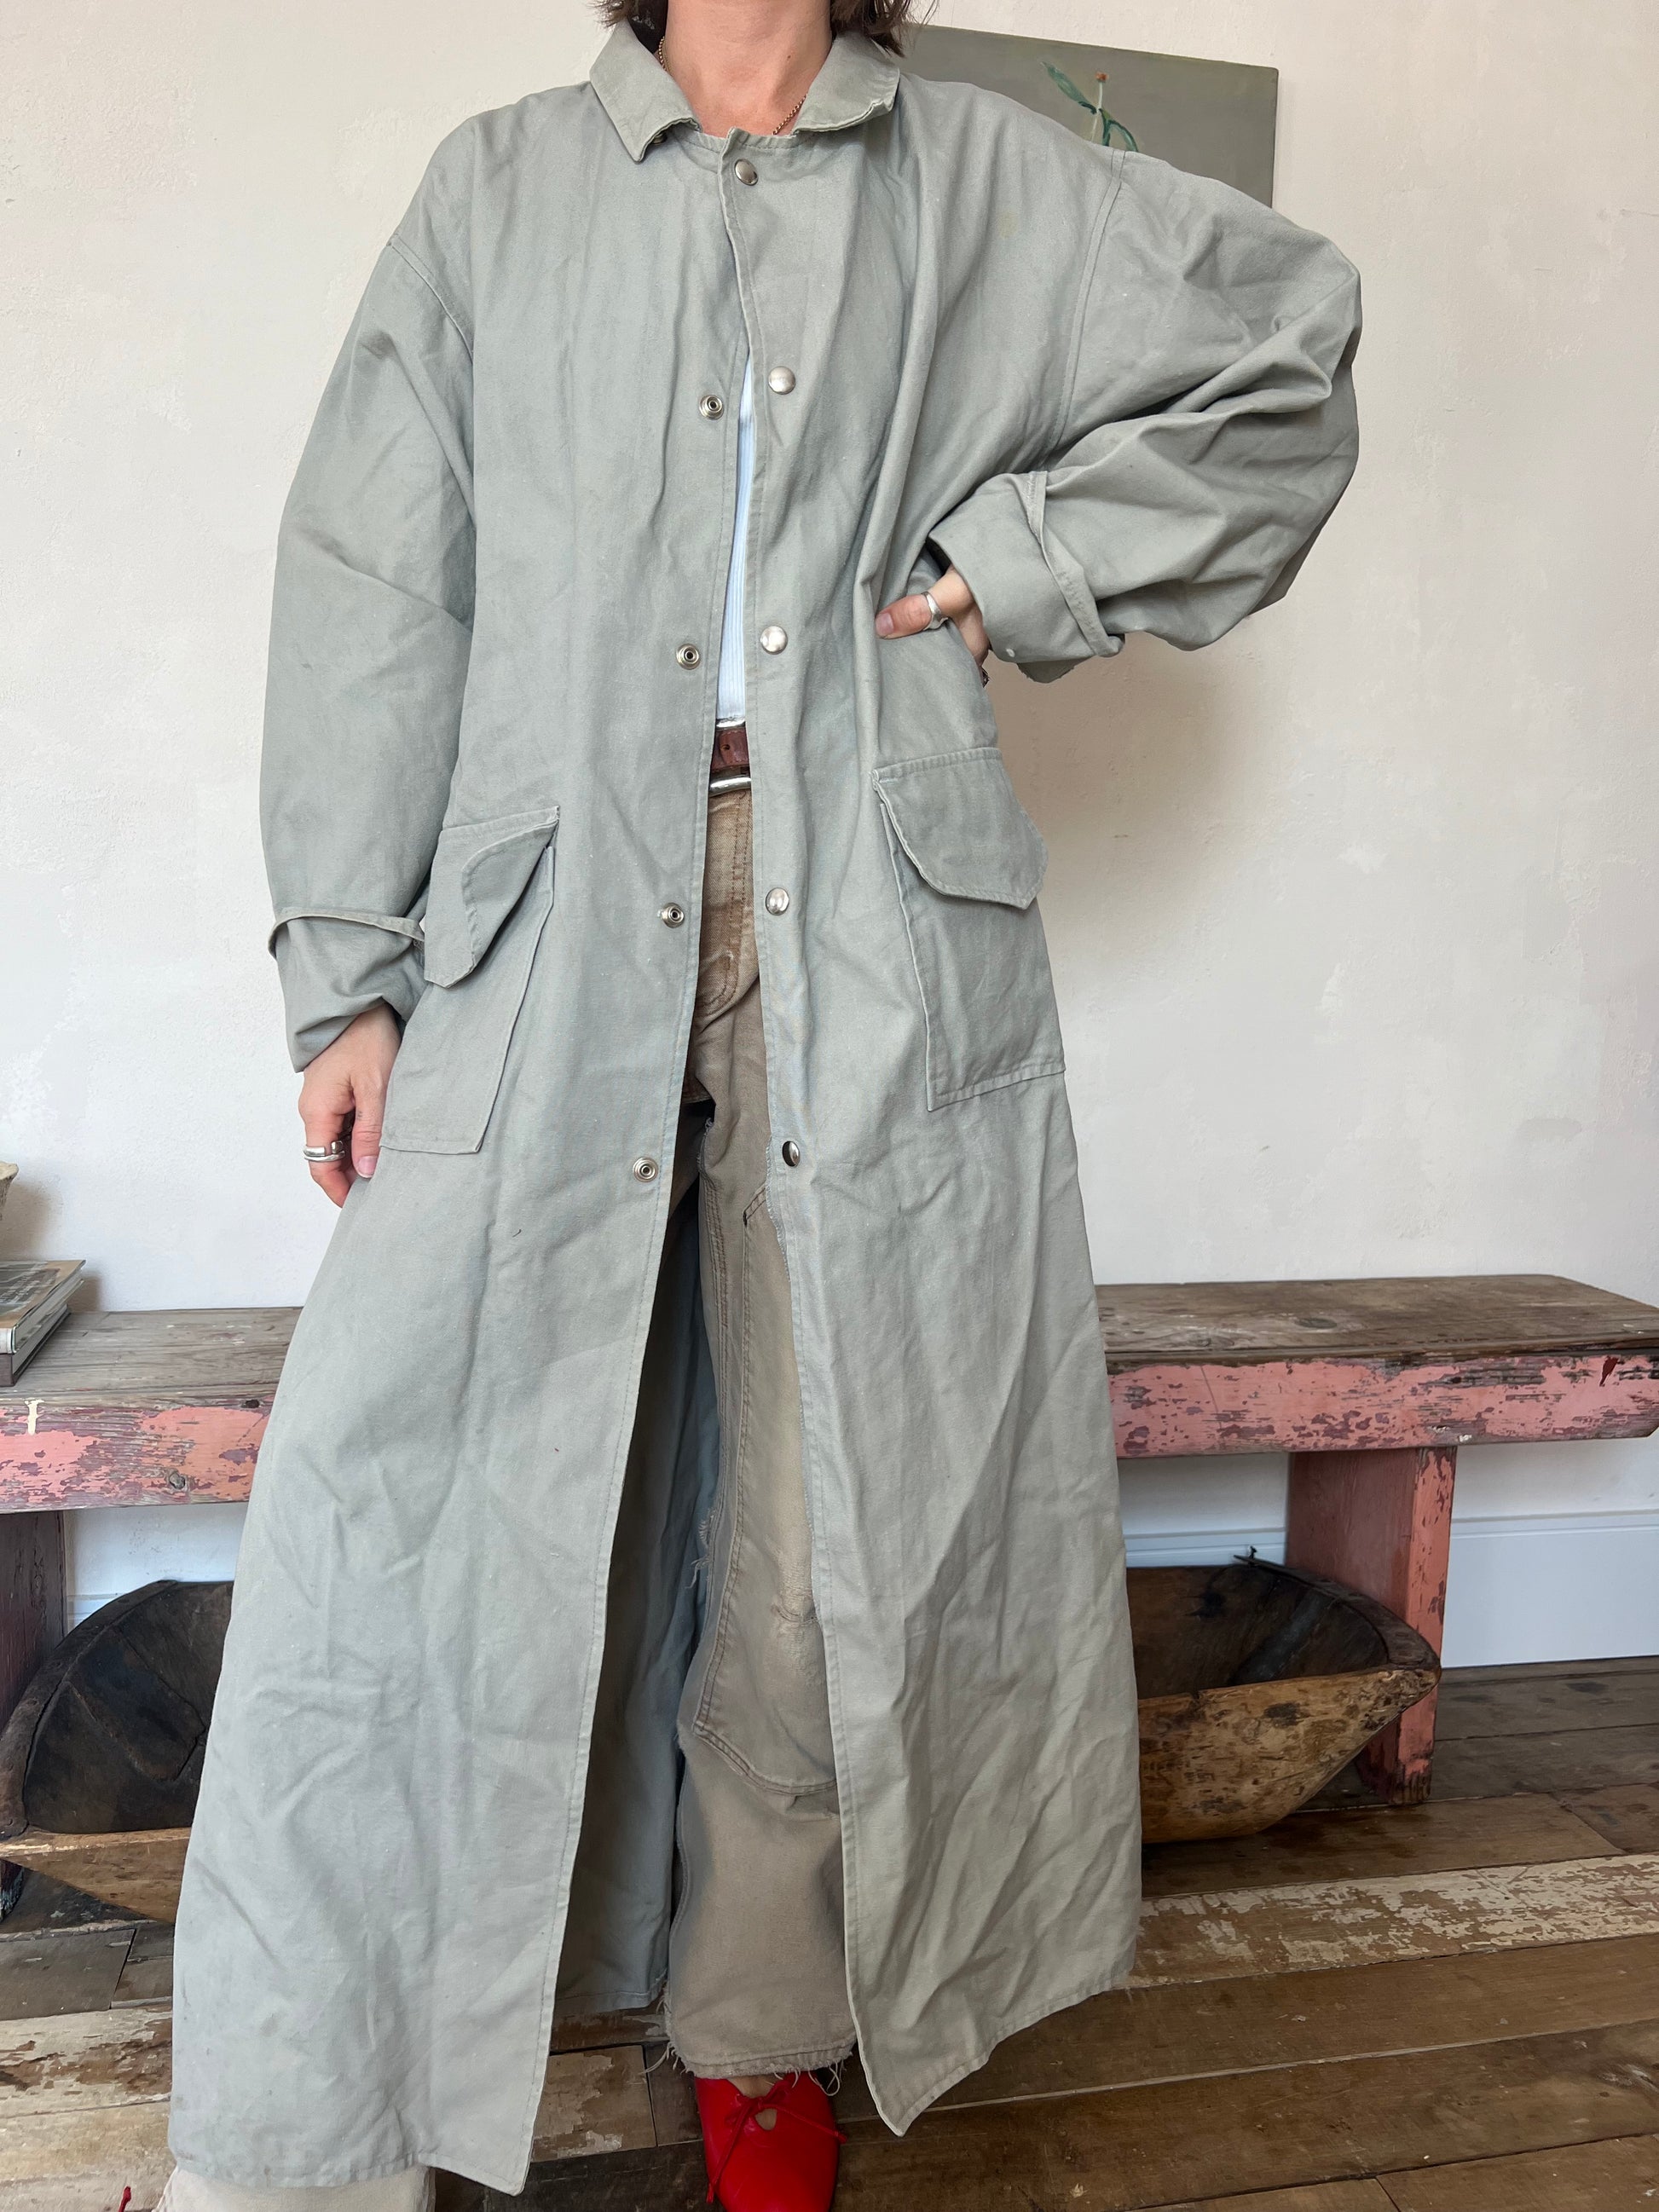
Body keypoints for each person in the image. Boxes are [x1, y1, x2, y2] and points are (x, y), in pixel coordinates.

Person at [159, 2, 1360, 2207]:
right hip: (539, 915)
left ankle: (757, 2033)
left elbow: (1283, 350)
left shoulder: (978, 176)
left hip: (878, 915)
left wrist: (1025, 559)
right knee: (427, 1499)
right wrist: (347, 969)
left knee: (839, 1518)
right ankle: (350, 2080)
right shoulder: (499, 188)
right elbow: (374, 576)